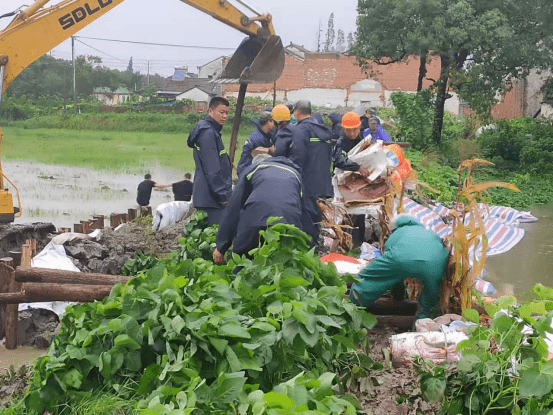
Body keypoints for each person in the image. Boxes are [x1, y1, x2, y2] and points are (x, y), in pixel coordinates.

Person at [212, 156, 316, 263]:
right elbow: (305, 216)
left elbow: (233, 208)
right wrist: (312, 252)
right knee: (283, 265)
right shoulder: (295, 176)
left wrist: (221, 246)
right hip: (287, 226)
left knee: (243, 264)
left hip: (253, 222)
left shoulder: (253, 170)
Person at [349, 214, 449, 321]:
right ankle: (422, 323)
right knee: (430, 295)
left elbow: (394, 272)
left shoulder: (397, 232)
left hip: (402, 259)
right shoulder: (428, 232)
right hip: (435, 263)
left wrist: (398, 295)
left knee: (367, 276)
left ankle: (352, 308)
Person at [187, 96, 232, 225]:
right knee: (217, 238)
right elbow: (212, 168)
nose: (224, 116)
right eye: (221, 112)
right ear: (210, 111)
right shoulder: (208, 133)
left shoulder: (211, 131)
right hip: (211, 199)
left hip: (208, 196)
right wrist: (222, 196)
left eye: (227, 113)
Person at [332, 111, 371, 247]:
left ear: (359, 128)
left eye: (355, 130)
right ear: (343, 129)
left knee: (360, 212)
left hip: (359, 183)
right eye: (349, 131)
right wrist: (357, 167)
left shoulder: (362, 140)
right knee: (346, 213)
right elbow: (339, 161)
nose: (353, 133)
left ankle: (359, 243)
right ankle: (345, 243)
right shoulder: (341, 142)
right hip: (344, 183)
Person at [236, 110, 275, 178]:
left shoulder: (265, 134)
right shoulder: (257, 137)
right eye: (272, 121)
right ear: (268, 122)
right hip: (247, 170)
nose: (274, 124)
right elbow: (257, 154)